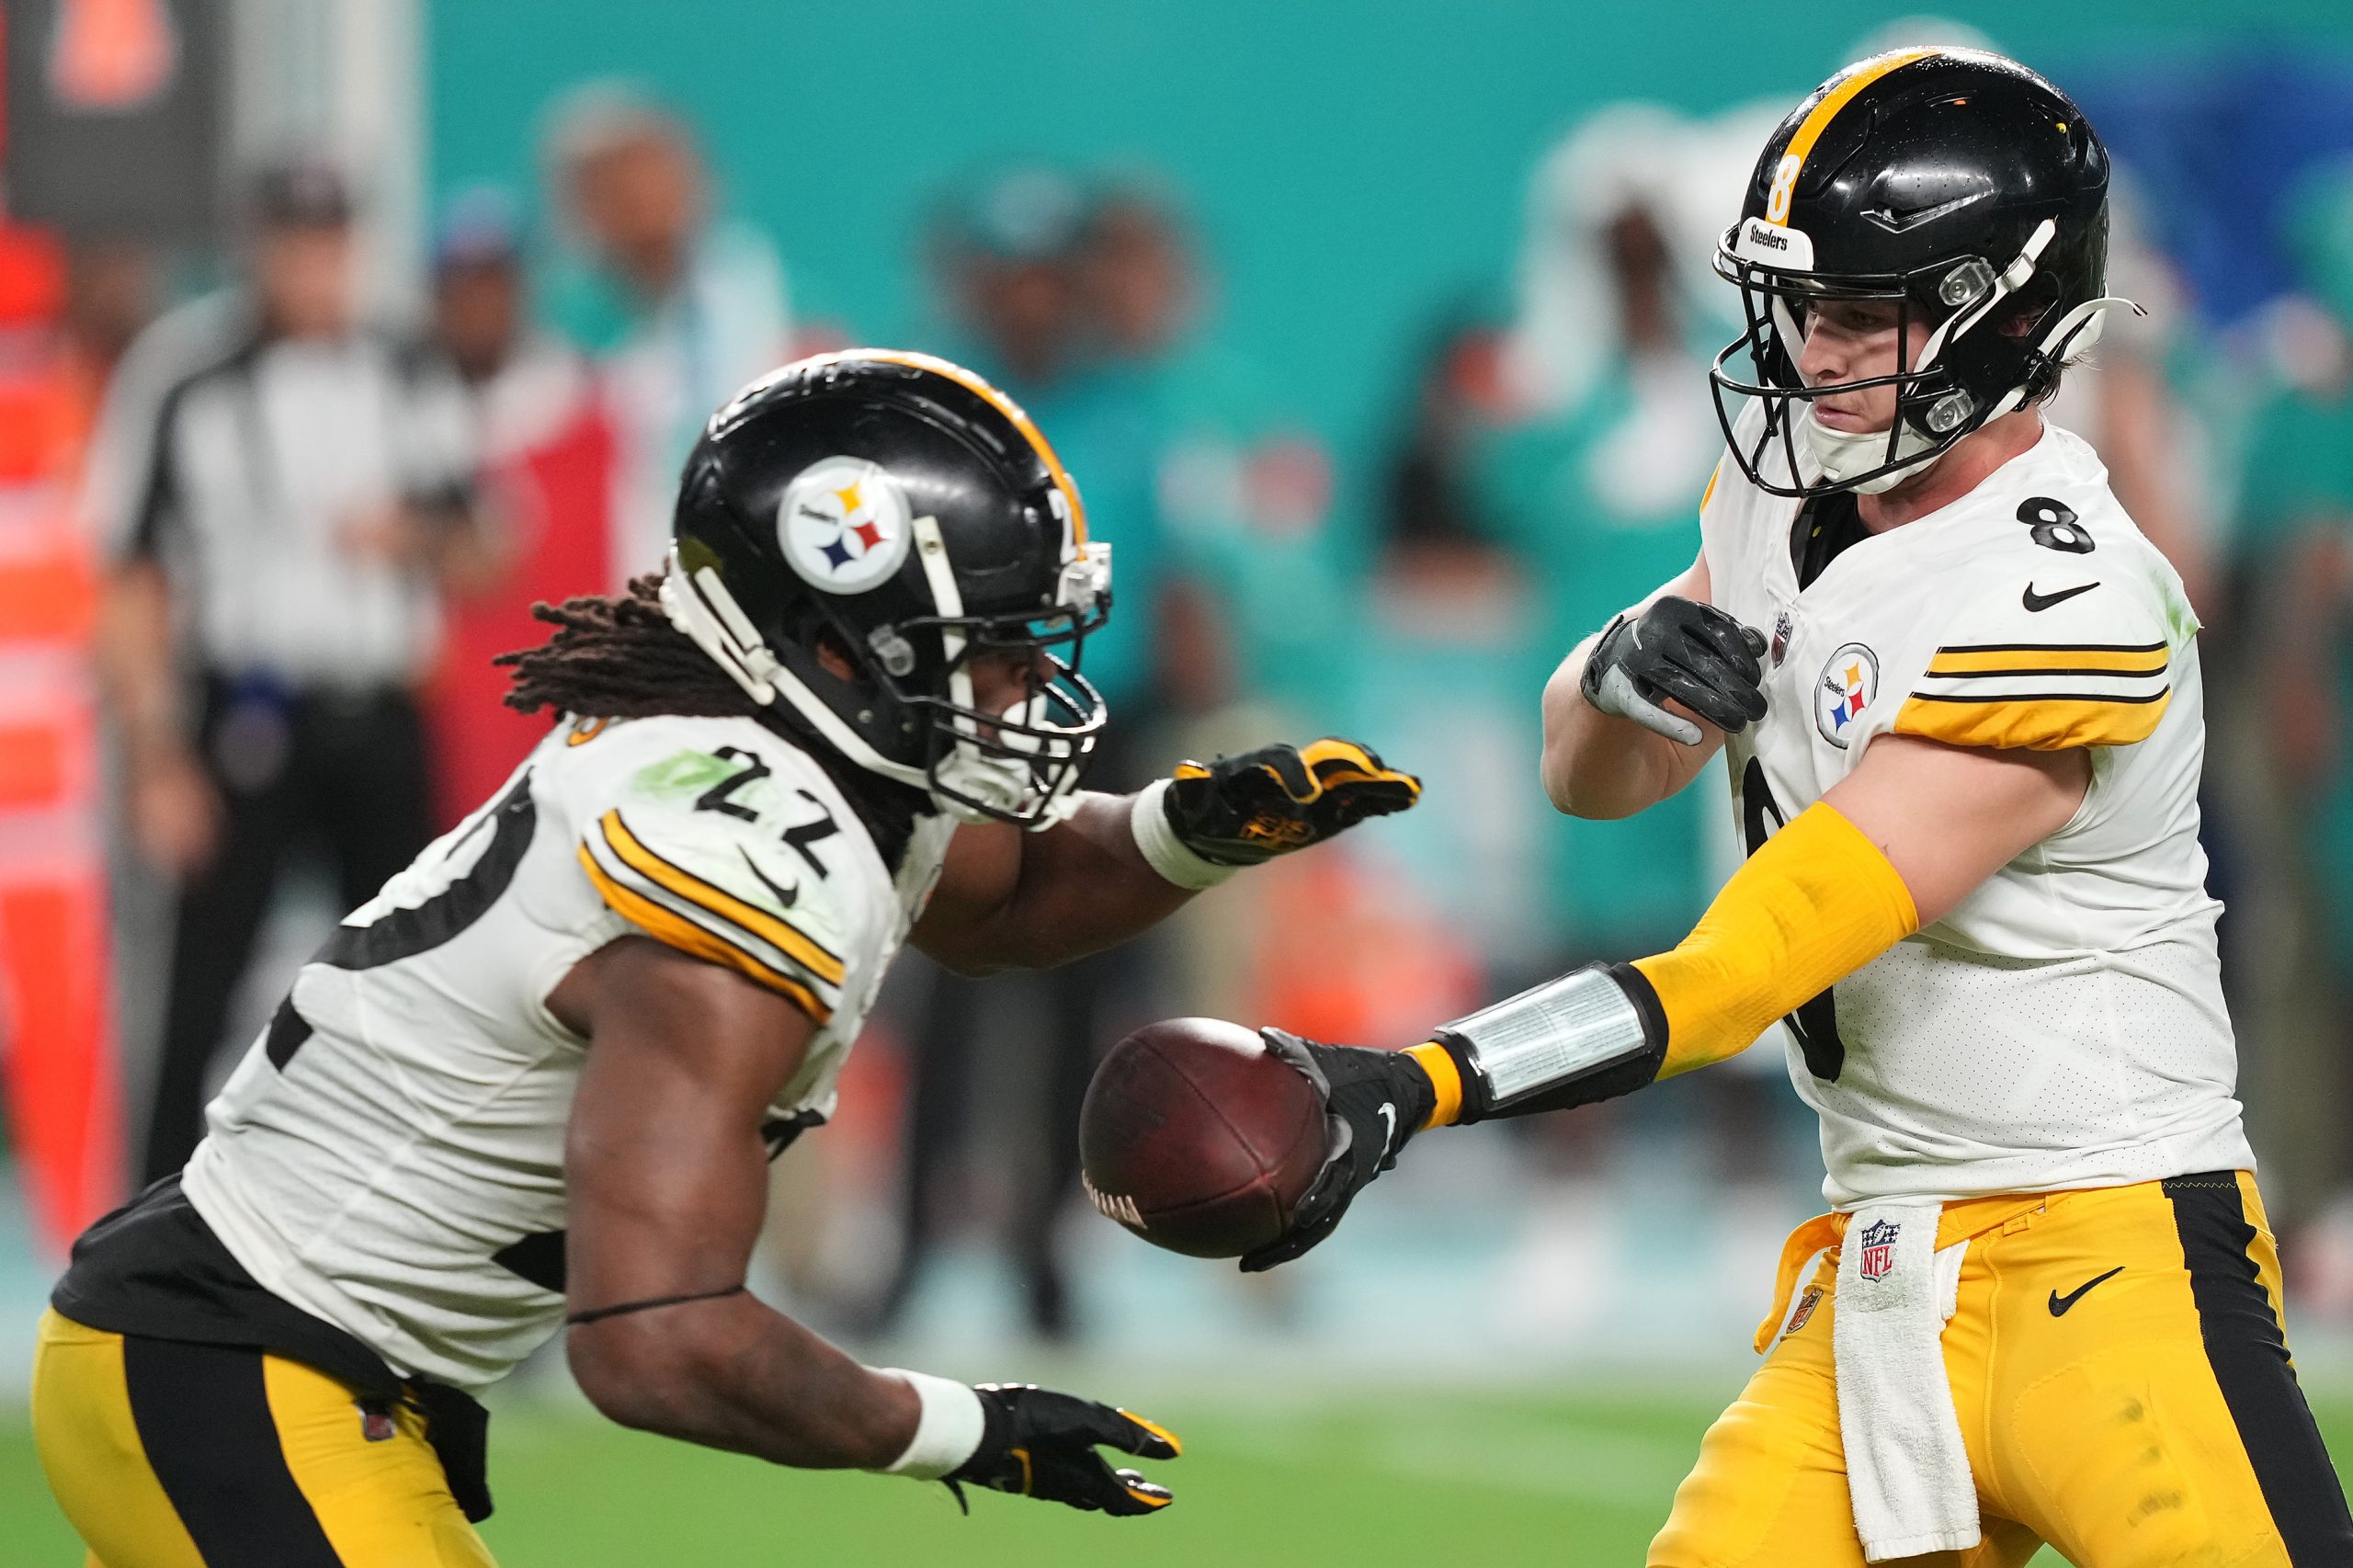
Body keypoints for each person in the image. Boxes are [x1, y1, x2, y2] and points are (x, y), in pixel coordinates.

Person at [1227, 51, 2353, 1565]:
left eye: (1868, 312)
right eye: (1806, 306)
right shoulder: (1784, 491)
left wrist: (1425, 1081)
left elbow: (1750, 960)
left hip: (2110, 1266)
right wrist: (1619, 675)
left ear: (2007, 317)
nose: (1817, 353)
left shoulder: (2061, 588)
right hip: (1883, 1278)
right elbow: (1596, 774)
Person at [30, 349, 1419, 1561]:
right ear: (827, 638)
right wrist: (964, 1426)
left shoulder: (782, 757)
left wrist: (1189, 827)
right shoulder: (746, 846)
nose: (1019, 687)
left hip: (252, 1357)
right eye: (982, 650)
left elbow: (1003, 901)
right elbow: (655, 1336)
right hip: (249, 1362)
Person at [85, 160, 486, 1186]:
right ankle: (150, 1227)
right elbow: (131, 575)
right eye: (295, 241)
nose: (315, 265)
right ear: (256, 247)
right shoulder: (187, 373)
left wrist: (413, 537)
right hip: (246, 711)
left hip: (382, 703)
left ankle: (402, 1214)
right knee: (201, 988)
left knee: (407, 978)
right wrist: (155, 754)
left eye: (332, 240)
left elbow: (483, 541)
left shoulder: (406, 366)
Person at [544, 85, 791, 585]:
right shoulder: (568, 336)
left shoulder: (761, 297)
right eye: (611, 187)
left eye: (652, 174)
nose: (640, 199)